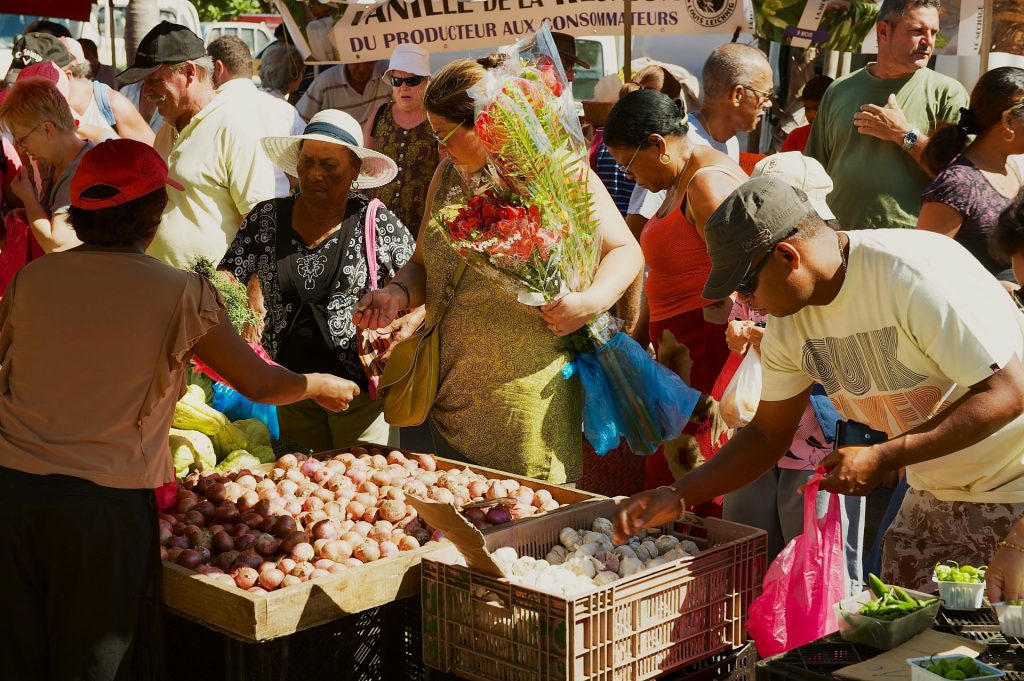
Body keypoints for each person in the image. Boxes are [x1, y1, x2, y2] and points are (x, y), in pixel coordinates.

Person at [0, 138, 359, 681]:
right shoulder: (178, 292)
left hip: (12, 495)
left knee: (19, 657)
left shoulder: (33, 279)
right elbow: (260, 383)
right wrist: (319, 384)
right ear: (153, 214)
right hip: (101, 509)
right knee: (91, 663)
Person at [613, 176, 1024, 591]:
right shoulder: (788, 324)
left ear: (789, 256)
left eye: (745, 285)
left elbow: (1006, 392)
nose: (745, 302)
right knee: (905, 645)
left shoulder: (911, 275)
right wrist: (679, 494)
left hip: (1013, 494)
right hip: (931, 492)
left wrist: (884, 456)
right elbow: (767, 434)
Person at [352, 55, 643, 484]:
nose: (439, 149)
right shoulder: (447, 175)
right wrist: (396, 294)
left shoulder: (557, 172)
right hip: (443, 391)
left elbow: (625, 251)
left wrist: (588, 302)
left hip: (526, 405)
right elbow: (421, 263)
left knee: (521, 528)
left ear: (484, 125)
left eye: (444, 135)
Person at [220, 110, 415, 451]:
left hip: (360, 397)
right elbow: (226, 277)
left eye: (329, 166)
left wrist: (401, 318)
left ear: (354, 170)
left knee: (366, 490)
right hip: (291, 391)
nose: (315, 175)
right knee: (303, 490)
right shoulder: (267, 218)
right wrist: (247, 298)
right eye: (307, 163)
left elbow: (419, 277)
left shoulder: (374, 221)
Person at [723, 152, 864, 594]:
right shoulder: (753, 265)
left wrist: (780, 344)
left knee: (817, 568)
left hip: (819, 441)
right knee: (752, 559)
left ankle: (817, 655)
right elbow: (736, 315)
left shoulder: (843, 276)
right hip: (759, 427)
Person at [602, 89, 746, 499]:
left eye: (629, 166)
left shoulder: (706, 185)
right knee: (673, 471)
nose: (632, 178)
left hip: (705, 355)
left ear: (657, 145)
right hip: (679, 357)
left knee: (691, 473)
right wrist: (639, 333)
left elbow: (742, 277)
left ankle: (697, 559)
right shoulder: (680, 181)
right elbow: (664, 274)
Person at [118, 21, 276, 269]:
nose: (146, 91)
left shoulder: (234, 126)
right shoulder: (167, 129)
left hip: (213, 298)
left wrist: (253, 294)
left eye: (154, 80)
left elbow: (262, 221)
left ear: (189, 73)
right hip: (164, 287)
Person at [805, 0, 969, 230]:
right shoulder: (839, 90)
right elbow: (813, 170)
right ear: (883, 31)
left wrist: (904, 135)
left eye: (933, 32)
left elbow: (961, 179)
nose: (929, 42)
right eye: (917, 31)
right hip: (838, 242)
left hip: (906, 247)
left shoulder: (948, 94)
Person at [918, 67, 1024, 279]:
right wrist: (994, 288)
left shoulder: (1012, 168)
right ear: (1008, 120)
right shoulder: (958, 184)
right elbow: (922, 267)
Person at [0, 77, 90, 253]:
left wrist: (28, 197)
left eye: (23, 139)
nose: (21, 148)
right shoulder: (58, 165)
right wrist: (31, 212)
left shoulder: (81, 169)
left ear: (48, 129)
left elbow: (55, 244)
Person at [208, 36, 305, 197]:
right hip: (273, 204)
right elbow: (305, 159)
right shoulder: (287, 112)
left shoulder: (221, 105)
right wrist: (283, 183)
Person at [363, 44, 439, 237]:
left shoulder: (437, 118)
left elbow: (445, 171)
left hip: (423, 228)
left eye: (412, 80)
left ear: (426, 82)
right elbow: (363, 165)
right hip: (378, 225)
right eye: (397, 80)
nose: (404, 87)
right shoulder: (380, 114)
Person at [687, 43, 774, 162]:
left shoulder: (731, 142)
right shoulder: (683, 144)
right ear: (737, 95)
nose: (769, 104)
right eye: (765, 95)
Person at [61, 37, 155, 144]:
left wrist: (85, 130)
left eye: (155, 80)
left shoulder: (112, 99)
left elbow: (150, 151)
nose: (147, 89)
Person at [296, 61, 391, 127]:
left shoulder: (387, 73)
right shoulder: (324, 82)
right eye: (356, 60)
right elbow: (299, 122)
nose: (362, 68)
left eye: (369, 62)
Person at [780, 75, 833, 153]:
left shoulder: (846, 137)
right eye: (807, 109)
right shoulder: (796, 137)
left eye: (817, 108)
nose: (811, 115)